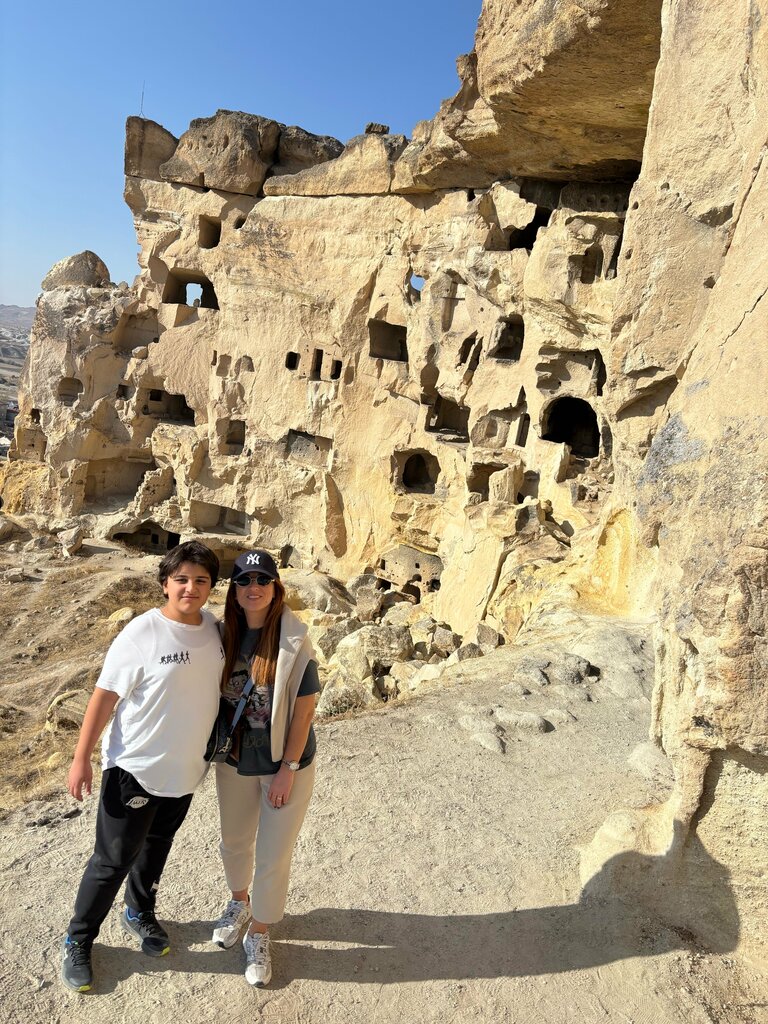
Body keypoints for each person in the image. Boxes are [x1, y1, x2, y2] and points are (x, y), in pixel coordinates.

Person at [60, 540, 224, 993]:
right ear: (165, 584)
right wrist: (82, 759)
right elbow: (104, 697)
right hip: (134, 768)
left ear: (211, 586)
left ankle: (139, 912)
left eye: (201, 580)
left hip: (186, 770)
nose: (191, 588)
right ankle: (78, 939)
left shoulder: (214, 630)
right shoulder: (142, 633)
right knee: (112, 860)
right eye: (182, 579)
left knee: (157, 845)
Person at [211, 549, 320, 987]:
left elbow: (305, 710)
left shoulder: (293, 638)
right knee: (235, 842)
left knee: (273, 855)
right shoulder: (220, 636)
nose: (252, 587)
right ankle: (239, 902)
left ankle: (260, 931)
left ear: (276, 588)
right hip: (235, 762)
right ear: (234, 592)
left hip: (283, 764)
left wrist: (288, 767)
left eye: (262, 579)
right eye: (243, 581)